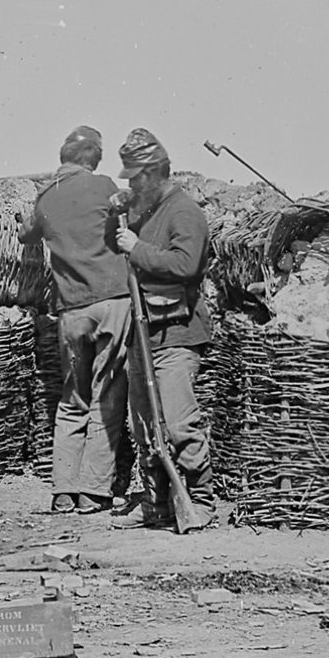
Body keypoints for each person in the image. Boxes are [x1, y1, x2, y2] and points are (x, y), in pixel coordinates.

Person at [18, 126, 132, 515]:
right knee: (108, 395)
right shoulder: (102, 186)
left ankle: (63, 490)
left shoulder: (47, 196)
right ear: (94, 159)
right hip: (112, 300)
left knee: (72, 398)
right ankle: (94, 491)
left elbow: (25, 236)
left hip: (71, 309)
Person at [111, 128, 215, 528]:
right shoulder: (145, 210)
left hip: (176, 333)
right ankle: (155, 503)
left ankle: (199, 500)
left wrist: (136, 248)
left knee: (176, 422)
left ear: (155, 173)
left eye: (136, 177)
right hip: (144, 333)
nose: (132, 184)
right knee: (143, 424)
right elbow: (119, 244)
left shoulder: (184, 211)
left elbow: (186, 265)